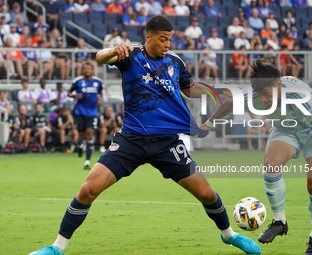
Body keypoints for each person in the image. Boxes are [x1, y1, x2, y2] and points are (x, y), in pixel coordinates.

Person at [28, 15, 261, 255]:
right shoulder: (130, 55)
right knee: (88, 189)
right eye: (163, 39)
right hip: (132, 139)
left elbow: (189, 89)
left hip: (167, 142)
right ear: (148, 36)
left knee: (207, 194)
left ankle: (229, 236)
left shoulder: (174, 61)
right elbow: (99, 58)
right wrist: (112, 51)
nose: (167, 44)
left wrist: (218, 89)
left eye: (169, 39)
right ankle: (57, 247)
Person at [201, 59, 312, 255]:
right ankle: (279, 221)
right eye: (260, 95)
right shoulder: (256, 93)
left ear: (279, 85)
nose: (264, 99)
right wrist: (208, 124)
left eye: (267, 94)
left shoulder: (303, 98)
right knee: (271, 165)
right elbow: (233, 102)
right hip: (286, 128)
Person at [68, 62, 103, 170]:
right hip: (80, 112)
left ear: (92, 70)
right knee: (81, 135)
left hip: (92, 112)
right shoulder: (78, 82)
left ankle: (87, 162)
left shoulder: (97, 82)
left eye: (89, 69)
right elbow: (69, 93)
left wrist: (100, 100)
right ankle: (79, 145)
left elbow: (100, 93)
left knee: (89, 133)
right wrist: (74, 95)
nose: (87, 70)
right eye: (85, 69)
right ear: (82, 71)